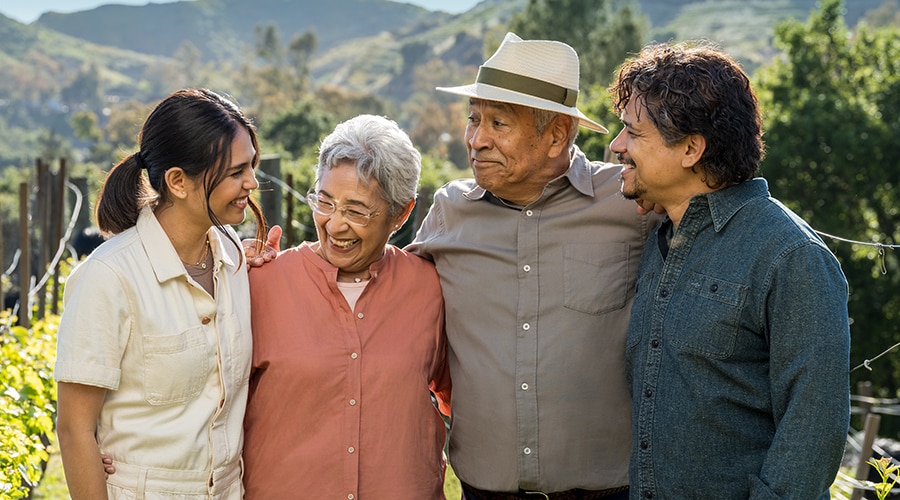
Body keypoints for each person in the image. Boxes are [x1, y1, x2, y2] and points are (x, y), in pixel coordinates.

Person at [405, 32, 655, 499]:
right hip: (484, 491)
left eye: (499, 123)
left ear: (557, 135)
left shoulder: (628, 205)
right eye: (474, 119)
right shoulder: (449, 210)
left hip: (609, 492)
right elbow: (384, 288)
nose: (476, 140)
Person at [610, 41, 851, 498]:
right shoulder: (660, 239)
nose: (617, 146)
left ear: (690, 149)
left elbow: (813, 431)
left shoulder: (790, 256)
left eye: (633, 134)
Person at [54, 88, 266, 499]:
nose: (252, 183)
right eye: (237, 171)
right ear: (178, 181)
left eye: (252, 166)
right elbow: (74, 428)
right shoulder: (108, 277)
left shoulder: (237, 262)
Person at [242, 114, 451, 499]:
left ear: (401, 214)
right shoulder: (259, 284)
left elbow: (466, 397)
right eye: (324, 202)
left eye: (356, 211)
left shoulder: (432, 289)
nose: (334, 225)